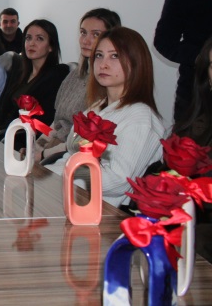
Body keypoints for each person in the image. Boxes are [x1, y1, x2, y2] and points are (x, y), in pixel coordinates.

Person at [47, 27, 166, 208]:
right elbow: (71, 155)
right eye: (99, 55)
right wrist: (46, 174)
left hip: (100, 210)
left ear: (136, 63)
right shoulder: (98, 107)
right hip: (67, 193)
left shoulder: (141, 118)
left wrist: (64, 173)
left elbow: (118, 181)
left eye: (115, 56)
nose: (103, 64)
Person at [34, 9, 121, 163]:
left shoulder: (106, 84)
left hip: (68, 155)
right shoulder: (74, 75)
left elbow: (81, 142)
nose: (85, 41)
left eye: (95, 34)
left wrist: (43, 155)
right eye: (83, 33)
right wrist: (36, 147)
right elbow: (57, 122)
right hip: (51, 149)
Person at [0, 19, 70, 145]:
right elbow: (3, 106)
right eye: (28, 38)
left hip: (23, 139)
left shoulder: (57, 74)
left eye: (39, 39)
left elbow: (43, 120)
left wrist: (1, 129)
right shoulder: (20, 71)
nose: (31, 43)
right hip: (2, 134)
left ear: (51, 46)